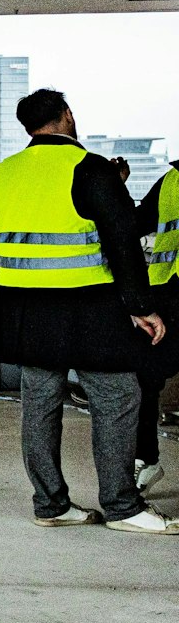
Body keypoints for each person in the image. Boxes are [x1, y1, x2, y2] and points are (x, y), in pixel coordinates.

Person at [0, 88, 175, 533]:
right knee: (118, 397)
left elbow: (0, 236)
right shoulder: (90, 168)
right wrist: (141, 307)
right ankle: (123, 507)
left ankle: (50, 505)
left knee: (40, 403)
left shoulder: (1, 174)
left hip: (24, 304)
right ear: (67, 115)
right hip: (87, 303)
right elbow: (122, 240)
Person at [131, 154, 179, 493]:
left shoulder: (170, 181)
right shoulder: (170, 181)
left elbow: (132, 224)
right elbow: (134, 225)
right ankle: (146, 460)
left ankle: (146, 460)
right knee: (145, 379)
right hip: (167, 293)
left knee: (146, 379)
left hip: (166, 293)